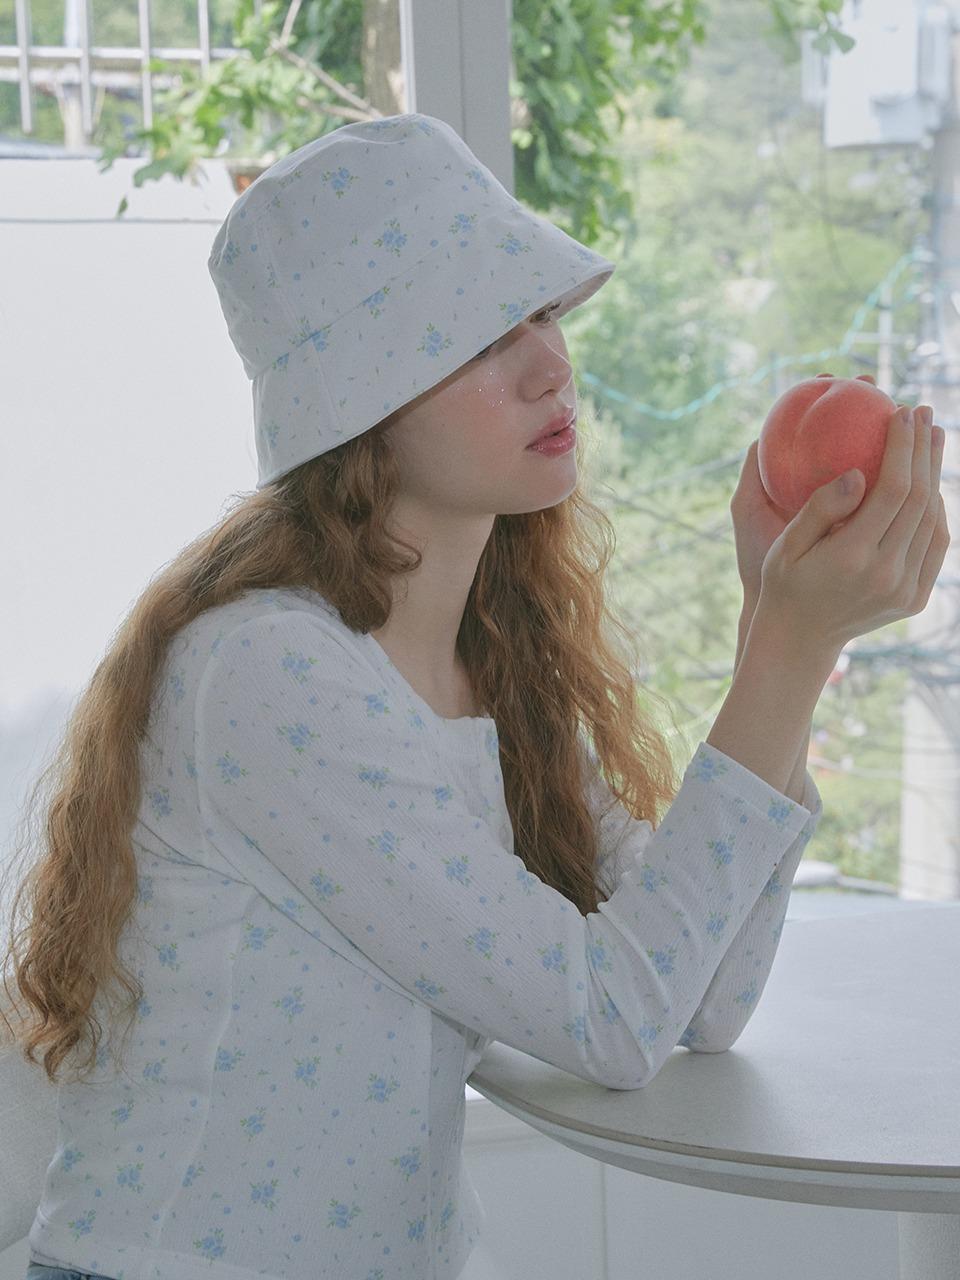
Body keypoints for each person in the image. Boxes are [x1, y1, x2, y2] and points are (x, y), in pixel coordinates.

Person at [0, 113, 946, 1280]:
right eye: (484, 330)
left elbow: (701, 1001)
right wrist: (785, 653)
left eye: (542, 311)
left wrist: (777, 631)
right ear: (357, 402)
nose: (552, 361)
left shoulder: (484, 665)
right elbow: (613, 1018)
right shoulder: (266, 676)